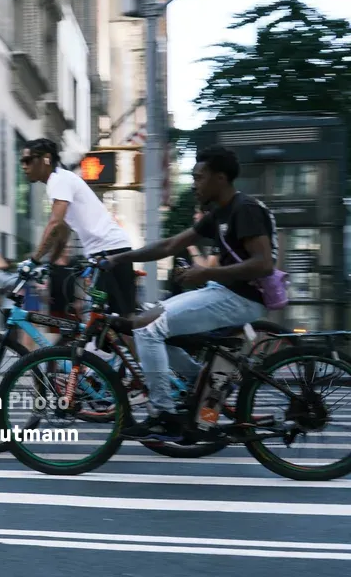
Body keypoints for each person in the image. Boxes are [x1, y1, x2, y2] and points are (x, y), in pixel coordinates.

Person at [99, 146, 278, 441]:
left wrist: (206, 273)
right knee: (144, 324)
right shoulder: (218, 213)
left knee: (148, 331)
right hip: (223, 292)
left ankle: (162, 415)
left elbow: (263, 264)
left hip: (242, 300)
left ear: (220, 178)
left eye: (199, 177)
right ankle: (203, 382)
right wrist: (119, 258)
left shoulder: (244, 209)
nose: (194, 183)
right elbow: (169, 245)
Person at [19, 138, 138, 318]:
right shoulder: (60, 181)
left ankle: (137, 344)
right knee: (101, 315)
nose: (24, 166)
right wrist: (50, 264)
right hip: (103, 254)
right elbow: (62, 232)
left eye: (28, 160)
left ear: (45, 159)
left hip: (111, 253)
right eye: (22, 162)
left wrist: (34, 261)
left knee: (119, 319)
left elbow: (54, 224)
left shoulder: (59, 180)